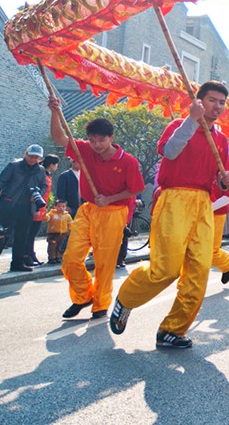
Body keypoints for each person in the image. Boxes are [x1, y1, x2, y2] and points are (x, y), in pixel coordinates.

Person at [109, 81, 229, 349]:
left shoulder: (221, 139)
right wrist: (191, 120)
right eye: (213, 100)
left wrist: (223, 182)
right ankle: (127, 298)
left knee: (198, 273)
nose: (218, 106)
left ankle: (172, 330)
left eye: (222, 102)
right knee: (166, 270)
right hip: (174, 199)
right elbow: (169, 151)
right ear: (199, 101)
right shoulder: (179, 125)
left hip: (202, 204)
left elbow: (218, 182)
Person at [47, 100, 146, 321]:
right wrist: (55, 112)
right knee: (71, 258)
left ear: (111, 138)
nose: (97, 144)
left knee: (104, 262)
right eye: (92, 140)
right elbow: (59, 138)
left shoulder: (128, 161)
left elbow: (136, 189)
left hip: (114, 212)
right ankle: (83, 296)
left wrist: (110, 198)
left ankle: (100, 304)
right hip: (88, 210)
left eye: (101, 140)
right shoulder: (84, 150)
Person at [0, 144, 47, 272]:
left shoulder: (40, 170)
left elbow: (44, 185)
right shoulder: (14, 166)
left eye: (36, 157)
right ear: (25, 154)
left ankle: (17, 263)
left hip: (27, 206)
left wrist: (38, 195)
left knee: (22, 235)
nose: (33, 159)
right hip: (9, 204)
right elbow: (1, 182)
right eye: (31, 156)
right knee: (2, 233)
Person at [25, 154, 60, 267]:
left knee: (32, 234)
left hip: (41, 207)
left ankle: (31, 254)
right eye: (56, 164)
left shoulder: (47, 175)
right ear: (51, 165)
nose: (57, 167)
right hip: (35, 207)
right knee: (29, 234)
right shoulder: (41, 174)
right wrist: (35, 209)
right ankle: (27, 256)